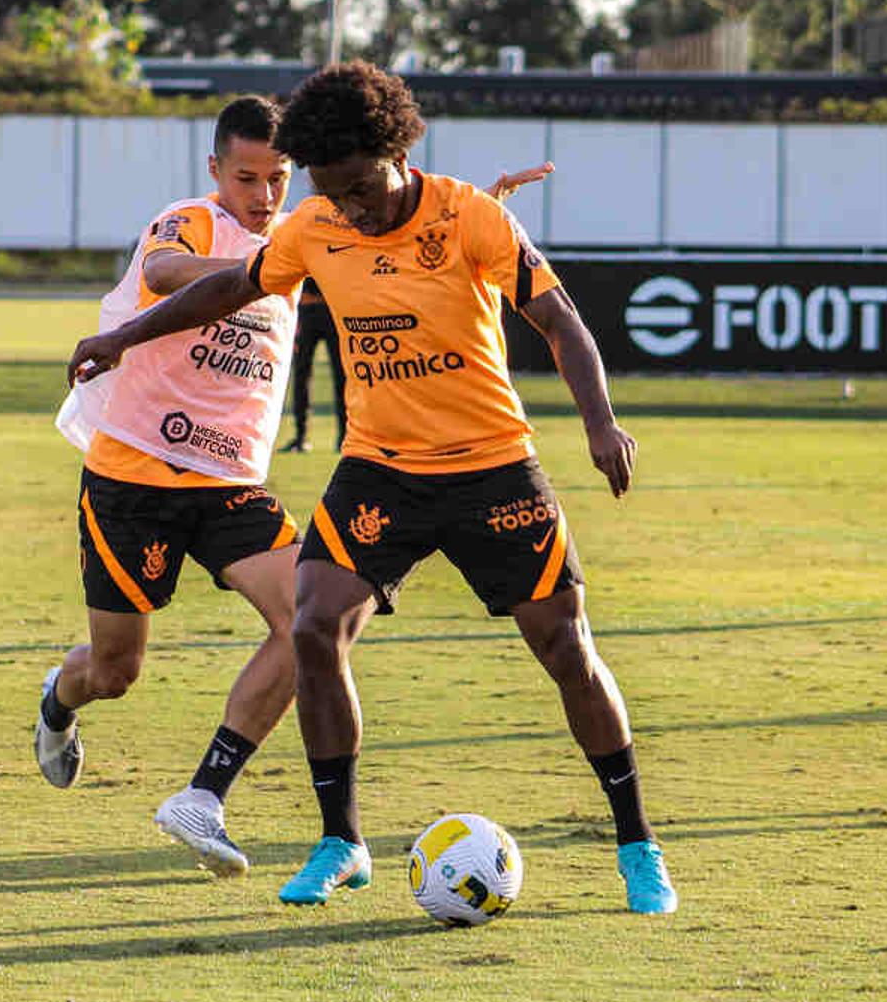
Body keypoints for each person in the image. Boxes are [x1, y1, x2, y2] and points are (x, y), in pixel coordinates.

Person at [69, 63, 676, 915]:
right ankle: (340, 840)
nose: (346, 208)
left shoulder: (470, 214)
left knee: (565, 647)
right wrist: (125, 335)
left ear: (395, 151)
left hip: (490, 462)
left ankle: (638, 843)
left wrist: (599, 422)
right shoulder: (315, 223)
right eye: (330, 193)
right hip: (380, 466)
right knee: (314, 625)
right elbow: (230, 286)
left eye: (356, 188)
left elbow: (559, 318)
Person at [37, 95, 553, 877]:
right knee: (115, 671)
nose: (263, 193)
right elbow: (163, 271)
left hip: (230, 484)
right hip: (133, 472)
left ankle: (204, 794)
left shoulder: (316, 229)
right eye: (246, 176)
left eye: (277, 178)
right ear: (216, 170)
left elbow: (408, 231)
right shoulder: (194, 220)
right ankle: (57, 701)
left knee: (308, 624)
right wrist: (271, 266)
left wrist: (483, 200)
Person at [283, 279, 343, 452]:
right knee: (301, 376)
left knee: (342, 378)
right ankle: (301, 437)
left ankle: (345, 437)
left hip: (332, 310)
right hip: (307, 310)